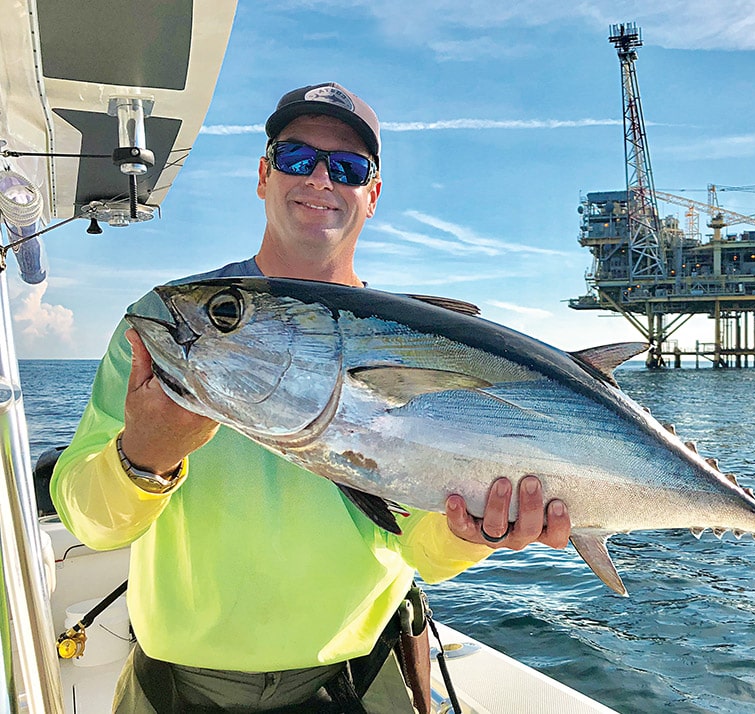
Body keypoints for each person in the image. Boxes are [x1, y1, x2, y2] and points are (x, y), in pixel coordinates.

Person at [51, 81, 571, 713]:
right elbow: (89, 524)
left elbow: (417, 553)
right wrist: (144, 458)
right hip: (182, 687)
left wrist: (474, 532)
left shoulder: (412, 338)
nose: (321, 179)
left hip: (362, 677)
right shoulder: (167, 325)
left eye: (348, 168)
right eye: (298, 158)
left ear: (372, 195)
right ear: (264, 174)